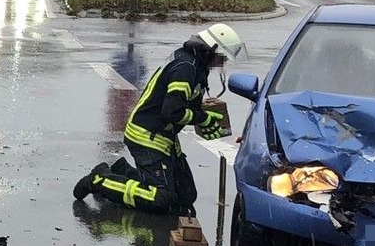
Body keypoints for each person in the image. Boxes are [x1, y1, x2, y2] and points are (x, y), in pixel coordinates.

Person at [74, 23, 246, 212]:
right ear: (210, 50)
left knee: (185, 195)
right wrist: (202, 118)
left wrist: (203, 116)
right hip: (147, 137)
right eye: (221, 58)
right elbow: (172, 112)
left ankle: (122, 171)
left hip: (165, 138)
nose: (221, 64)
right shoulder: (186, 68)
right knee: (161, 199)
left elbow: (182, 103)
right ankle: (100, 180)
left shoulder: (194, 64)